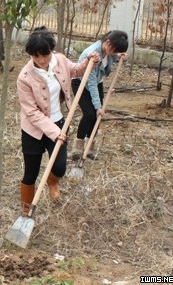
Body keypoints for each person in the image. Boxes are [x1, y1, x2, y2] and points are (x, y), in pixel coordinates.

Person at [17, 27, 99, 213]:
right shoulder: (24, 77)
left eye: (44, 55)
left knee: (60, 167)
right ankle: (26, 211)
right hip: (33, 130)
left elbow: (76, 71)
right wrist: (54, 133)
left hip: (59, 122)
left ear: (51, 49)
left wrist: (88, 61)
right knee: (31, 173)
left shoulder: (60, 60)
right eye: (36, 56)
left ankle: (52, 181)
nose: (41, 60)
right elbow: (31, 112)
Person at [70, 30, 128, 160]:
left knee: (97, 117)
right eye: (114, 50)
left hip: (97, 83)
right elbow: (90, 83)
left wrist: (120, 57)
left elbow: (110, 57)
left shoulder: (107, 50)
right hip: (81, 83)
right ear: (108, 42)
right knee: (90, 114)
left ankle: (90, 147)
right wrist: (98, 107)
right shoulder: (93, 55)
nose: (114, 53)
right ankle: (77, 147)